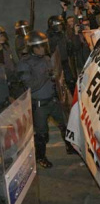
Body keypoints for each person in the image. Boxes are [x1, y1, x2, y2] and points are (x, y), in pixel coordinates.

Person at [17, 31, 74, 168]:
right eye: (38, 47)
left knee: (65, 124)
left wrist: (56, 78)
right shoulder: (24, 64)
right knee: (42, 134)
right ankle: (40, 157)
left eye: (43, 46)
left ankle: (70, 146)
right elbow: (31, 85)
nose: (42, 49)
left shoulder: (46, 59)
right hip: (39, 105)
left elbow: (53, 77)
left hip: (53, 100)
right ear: (31, 48)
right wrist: (46, 75)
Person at [47, 15, 75, 93]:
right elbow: (51, 50)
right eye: (58, 26)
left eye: (61, 25)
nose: (60, 27)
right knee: (59, 84)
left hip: (65, 61)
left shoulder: (63, 34)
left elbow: (69, 48)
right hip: (56, 64)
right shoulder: (50, 36)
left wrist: (69, 44)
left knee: (70, 81)